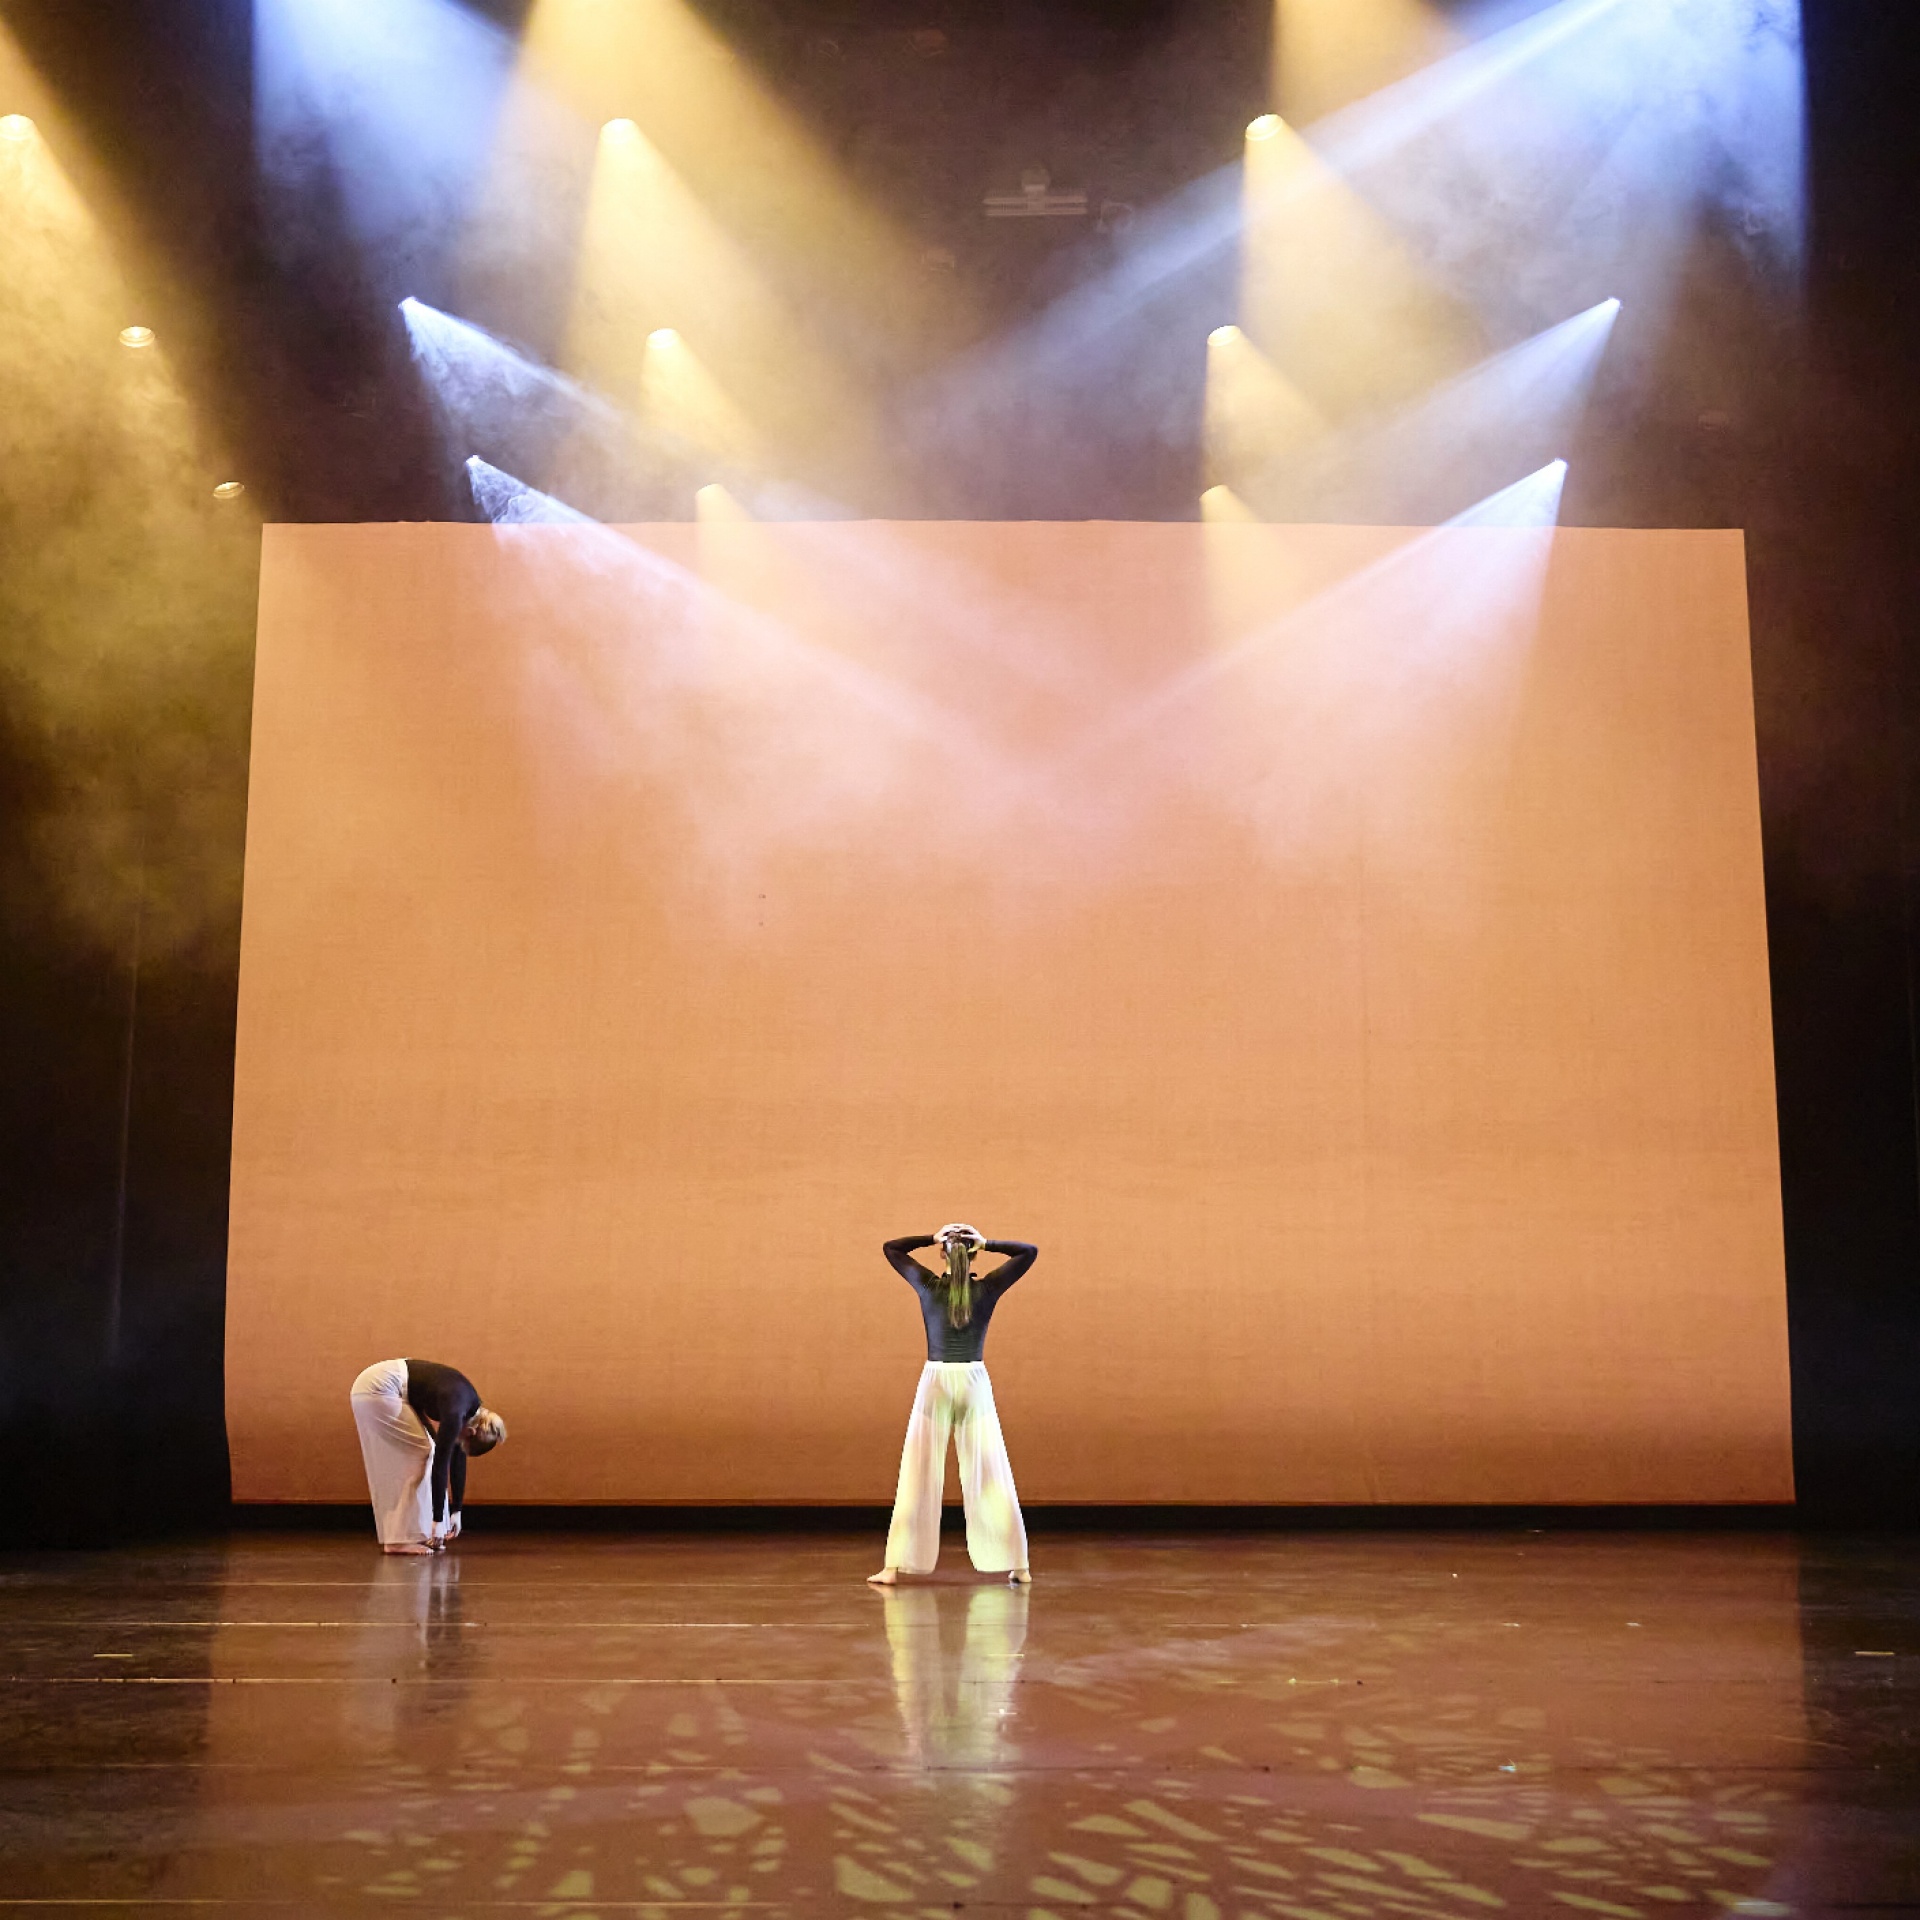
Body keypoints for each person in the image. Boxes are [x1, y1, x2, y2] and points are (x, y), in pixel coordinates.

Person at [869, 1223, 1036, 1587]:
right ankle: (1019, 1566)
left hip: (936, 1382)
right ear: (973, 1254)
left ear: (942, 1255)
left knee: (917, 1471)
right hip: (974, 1383)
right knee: (992, 1473)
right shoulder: (988, 1289)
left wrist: (932, 1237)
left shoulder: (928, 1286)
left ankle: (893, 1567)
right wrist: (987, 1241)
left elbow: (892, 1247)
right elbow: (1028, 1252)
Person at [349, 1358, 506, 1555]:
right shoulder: (456, 1412)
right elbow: (441, 1465)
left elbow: (456, 1461)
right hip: (378, 1386)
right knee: (424, 1452)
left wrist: (457, 1510)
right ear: (471, 1433)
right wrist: (438, 1520)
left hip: (390, 1385)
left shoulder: (470, 1411)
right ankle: (397, 1540)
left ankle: (415, 1532)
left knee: (427, 1450)